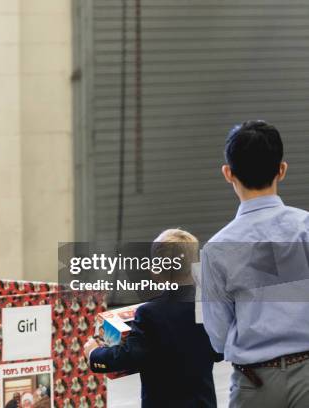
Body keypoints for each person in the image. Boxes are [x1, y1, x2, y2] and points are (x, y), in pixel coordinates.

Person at [201, 120, 309, 408]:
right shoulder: (306, 229)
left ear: (228, 173)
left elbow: (218, 335)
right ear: (282, 169)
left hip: (254, 384)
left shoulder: (216, 250)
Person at [84, 229, 222, 408]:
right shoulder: (208, 305)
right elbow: (219, 352)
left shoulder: (150, 313)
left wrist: (95, 353)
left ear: (155, 271)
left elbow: (130, 356)